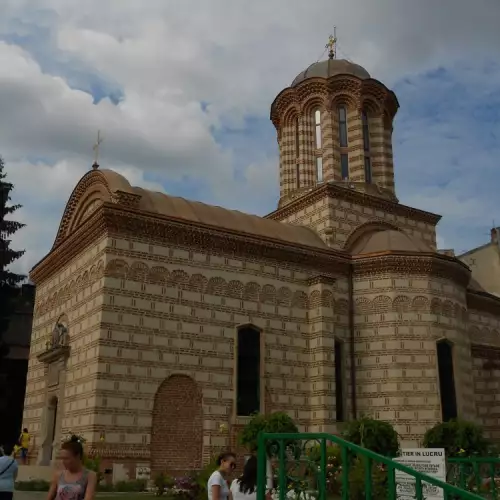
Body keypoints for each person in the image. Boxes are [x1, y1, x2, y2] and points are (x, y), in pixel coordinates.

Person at [46, 436, 97, 500]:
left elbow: (89, 497)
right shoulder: (58, 475)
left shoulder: (90, 476)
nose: (63, 462)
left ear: (77, 456)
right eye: (62, 458)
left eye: (66, 458)